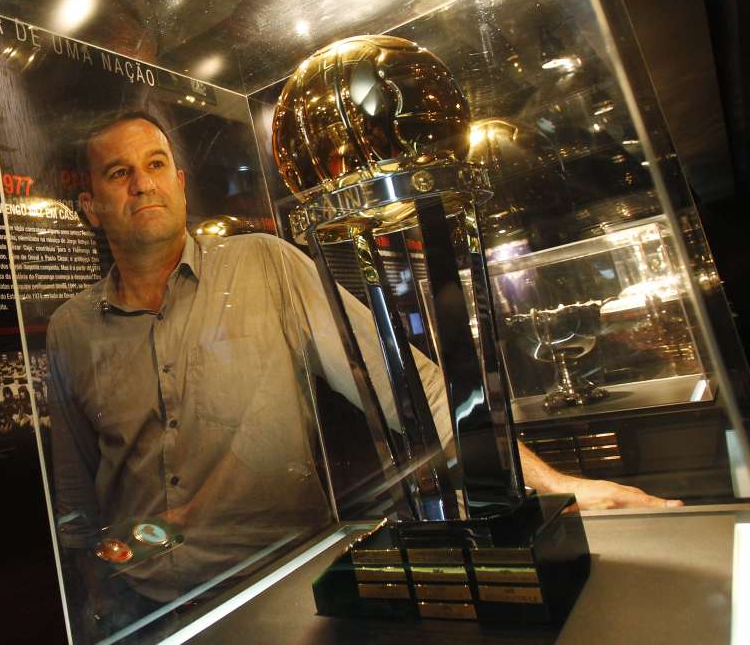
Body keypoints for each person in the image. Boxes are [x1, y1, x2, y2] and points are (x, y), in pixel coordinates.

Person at [46, 112, 682, 635]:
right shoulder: (71, 329)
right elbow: (76, 489)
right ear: (91, 206)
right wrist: (92, 603)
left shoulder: (266, 268)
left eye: (156, 165)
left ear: (182, 184)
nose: (142, 185)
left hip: (279, 588)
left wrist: (547, 485)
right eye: (119, 173)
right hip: (144, 610)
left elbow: (409, 386)